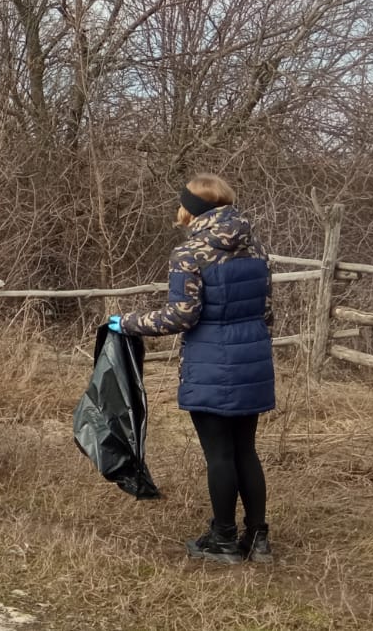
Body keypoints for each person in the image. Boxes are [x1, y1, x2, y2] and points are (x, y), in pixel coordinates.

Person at [111, 173, 274, 564]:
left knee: (219, 454)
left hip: (211, 362)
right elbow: (267, 311)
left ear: (193, 209)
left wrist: (127, 322)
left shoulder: (191, 253)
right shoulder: (258, 248)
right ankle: (258, 539)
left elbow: (181, 317)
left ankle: (222, 540)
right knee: (245, 451)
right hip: (252, 359)